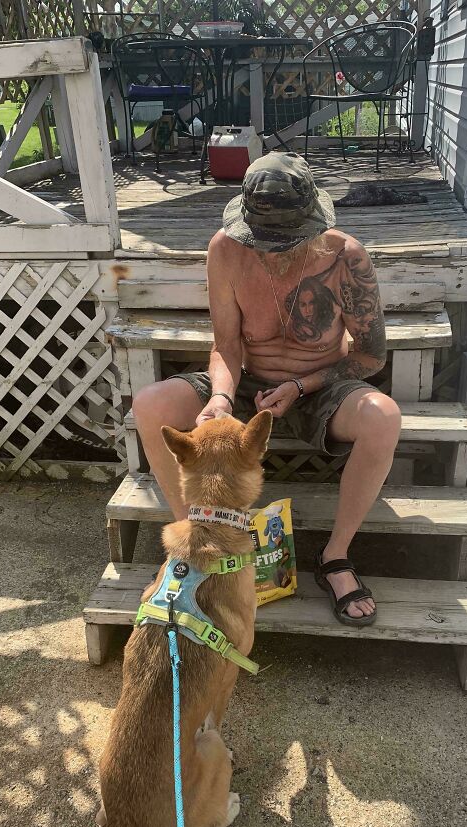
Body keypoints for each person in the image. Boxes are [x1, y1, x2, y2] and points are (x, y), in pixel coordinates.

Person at [133, 152, 401, 625]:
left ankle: (335, 556)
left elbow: (370, 355)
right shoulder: (225, 250)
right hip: (244, 384)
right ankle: (193, 545)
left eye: (285, 241)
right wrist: (219, 394)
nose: (272, 251)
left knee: (384, 417)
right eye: (263, 239)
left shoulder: (346, 257)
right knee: (151, 404)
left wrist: (302, 384)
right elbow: (226, 345)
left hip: (320, 386)